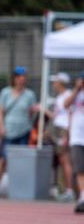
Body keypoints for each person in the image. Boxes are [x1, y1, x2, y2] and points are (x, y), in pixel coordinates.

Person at [0, 66, 38, 197]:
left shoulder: (30, 94)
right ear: (14, 78)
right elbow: (0, 111)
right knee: (2, 159)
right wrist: (1, 126)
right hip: (8, 130)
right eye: (18, 77)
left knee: (21, 161)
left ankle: (18, 189)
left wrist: (35, 110)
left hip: (24, 131)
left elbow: (31, 113)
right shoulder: (5, 92)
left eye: (23, 77)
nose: (21, 79)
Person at [49, 73, 74, 201]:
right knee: (62, 161)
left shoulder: (68, 95)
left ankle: (69, 190)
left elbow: (70, 115)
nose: (54, 84)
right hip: (58, 129)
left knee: (66, 161)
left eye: (56, 81)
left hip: (64, 130)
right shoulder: (59, 97)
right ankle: (64, 189)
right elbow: (56, 116)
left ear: (61, 82)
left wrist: (67, 134)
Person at [63, 72, 84, 213]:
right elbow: (66, 105)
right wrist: (77, 89)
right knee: (80, 169)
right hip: (77, 137)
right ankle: (83, 197)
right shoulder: (75, 94)